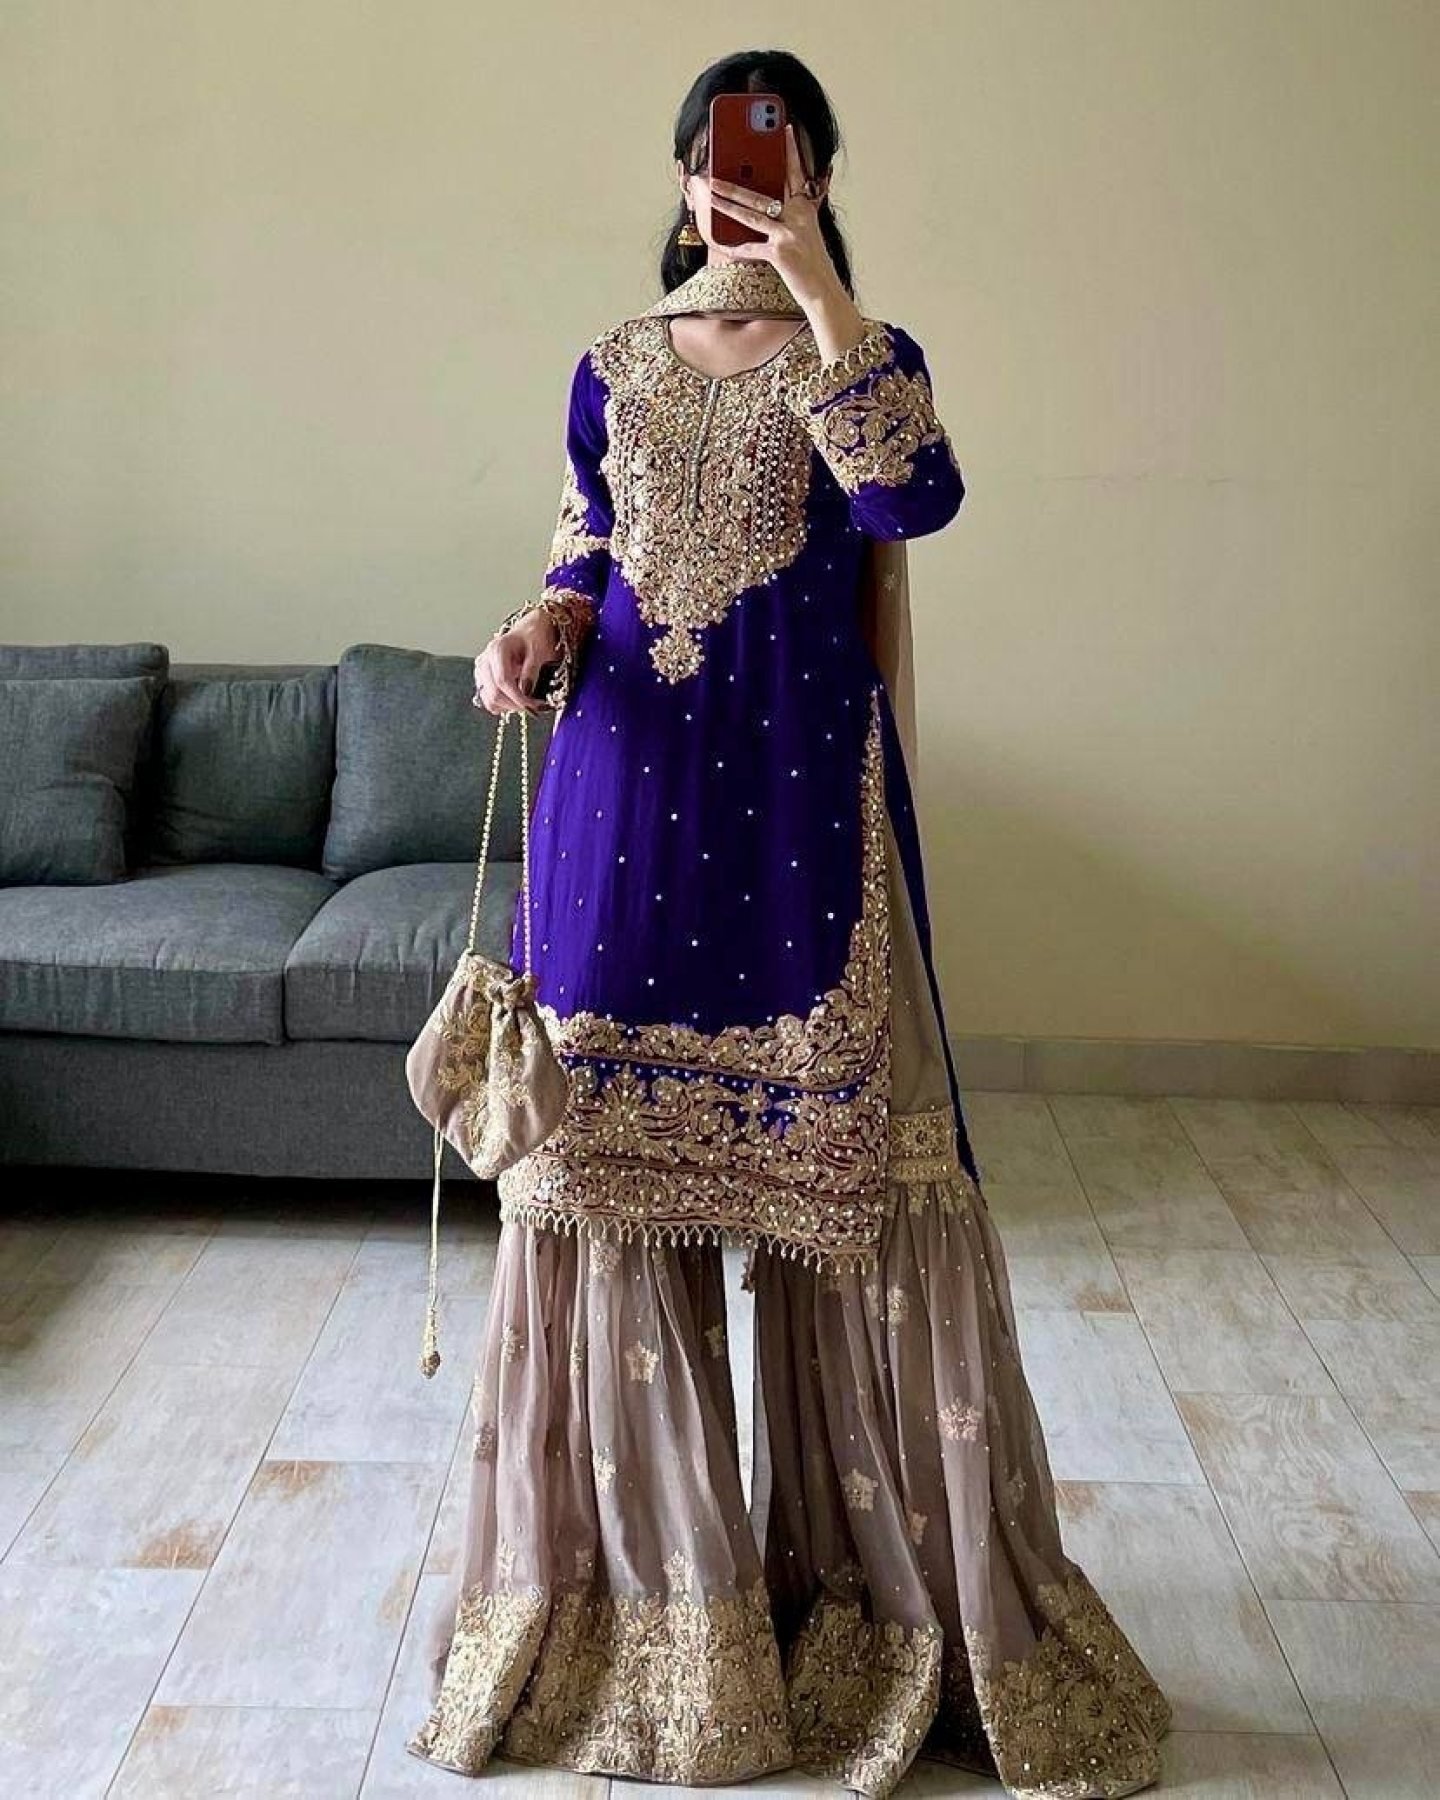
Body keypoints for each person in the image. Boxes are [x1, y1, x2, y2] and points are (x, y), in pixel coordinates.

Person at [407, 48, 1172, 1799]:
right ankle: (651, 1631)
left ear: (815, 175)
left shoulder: (865, 357)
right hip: (620, 800)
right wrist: (533, 634)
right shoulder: (612, 362)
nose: (737, 183)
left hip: (796, 810)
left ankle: (876, 1603)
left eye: (776, 158)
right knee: (605, 1189)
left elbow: (914, 501)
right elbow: (586, 551)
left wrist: (823, 296)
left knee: (852, 1204)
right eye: (715, 158)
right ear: (681, 177)